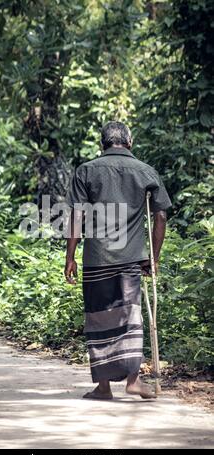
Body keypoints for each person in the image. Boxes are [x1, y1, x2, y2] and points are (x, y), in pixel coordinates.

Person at [65, 121, 172, 400]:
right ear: (129, 141)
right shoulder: (146, 171)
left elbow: (77, 215)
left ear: (103, 143)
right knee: (129, 317)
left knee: (99, 318)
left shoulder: (86, 171)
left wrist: (70, 257)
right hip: (130, 259)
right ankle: (133, 381)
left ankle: (103, 388)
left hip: (96, 259)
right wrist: (154, 258)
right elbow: (160, 216)